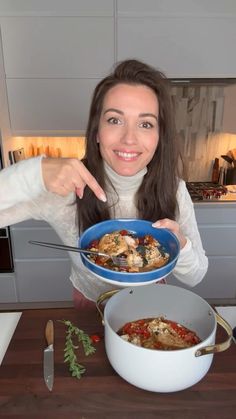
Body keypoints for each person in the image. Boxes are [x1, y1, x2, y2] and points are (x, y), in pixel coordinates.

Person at [0, 59, 208, 308]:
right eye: (114, 120)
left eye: (145, 124)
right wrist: (34, 174)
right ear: (97, 131)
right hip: (90, 303)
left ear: (159, 137)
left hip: (150, 303)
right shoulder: (64, 187)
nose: (129, 139)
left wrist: (181, 245)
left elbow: (196, 276)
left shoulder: (173, 189)